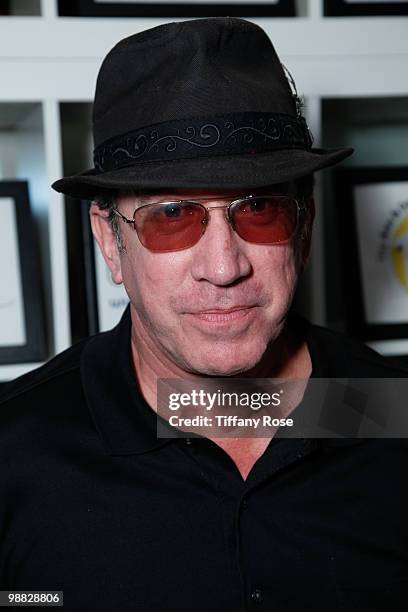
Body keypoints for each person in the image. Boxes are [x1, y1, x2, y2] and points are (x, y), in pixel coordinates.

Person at [1, 17, 407, 612]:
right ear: (111, 243)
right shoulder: (16, 452)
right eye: (172, 215)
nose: (223, 267)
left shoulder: (391, 417)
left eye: (261, 209)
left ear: (305, 230)